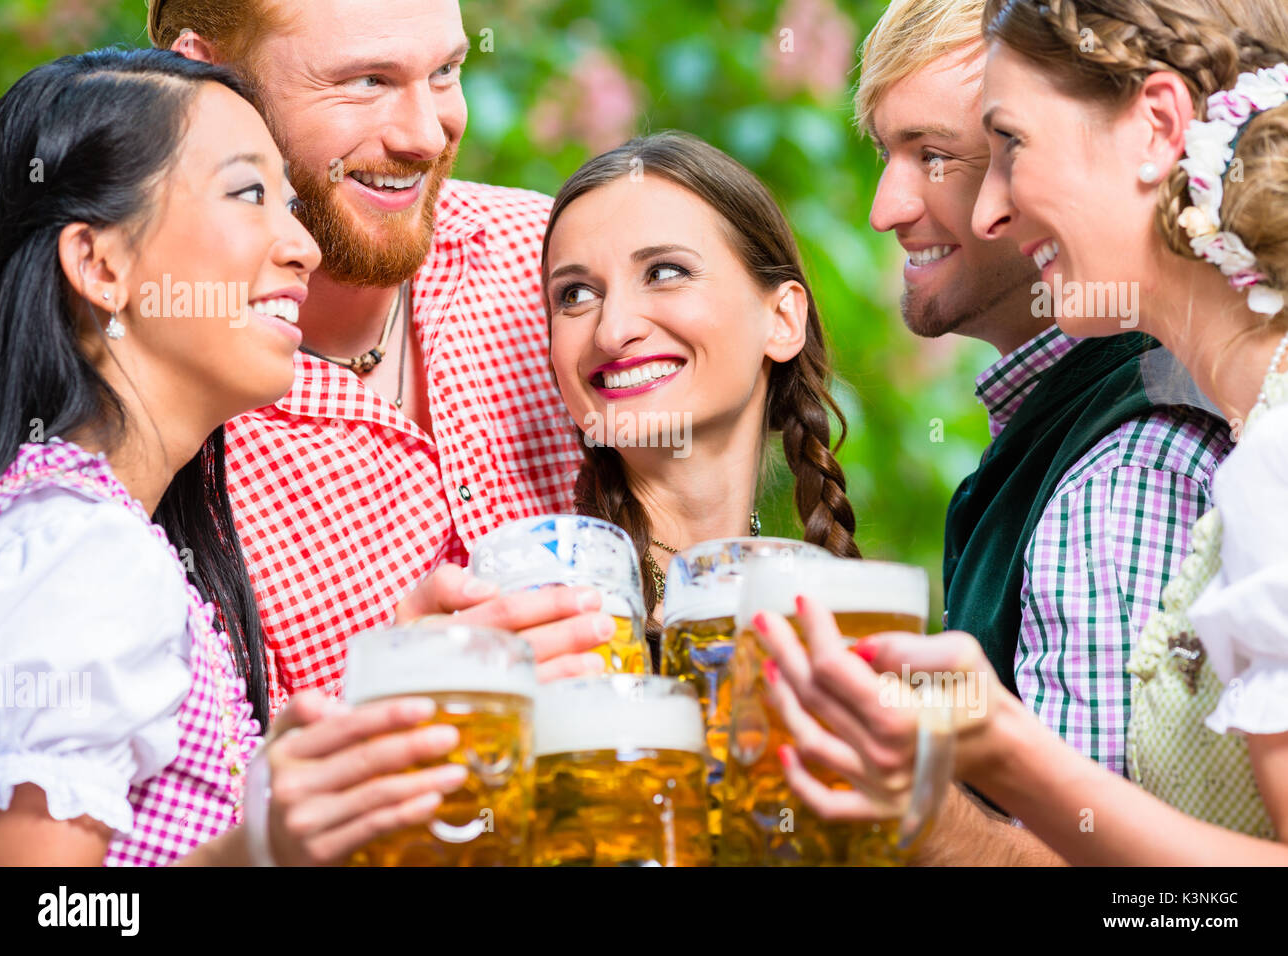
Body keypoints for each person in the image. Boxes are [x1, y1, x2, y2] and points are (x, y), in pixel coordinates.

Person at [755, 0, 1288, 864]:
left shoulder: (1230, 461)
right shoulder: (1246, 445)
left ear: (1160, 128)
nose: (991, 209)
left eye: (1005, 145)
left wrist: (957, 803)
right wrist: (1002, 742)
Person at [0, 48, 470, 866]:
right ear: (101, 265)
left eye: (289, 202)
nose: (303, 249)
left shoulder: (98, 538)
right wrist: (257, 851)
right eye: (249, 193)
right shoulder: (87, 555)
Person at [149, 0, 609, 714]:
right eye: (367, 81)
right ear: (202, 76)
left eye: (446, 71)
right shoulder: (152, 398)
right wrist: (377, 711)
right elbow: (150, 805)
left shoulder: (553, 263)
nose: (426, 137)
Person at [541, 131, 861, 656]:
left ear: (781, 319)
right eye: (575, 295)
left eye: (665, 272)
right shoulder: (542, 606)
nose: (611, 330)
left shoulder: (824, 608)